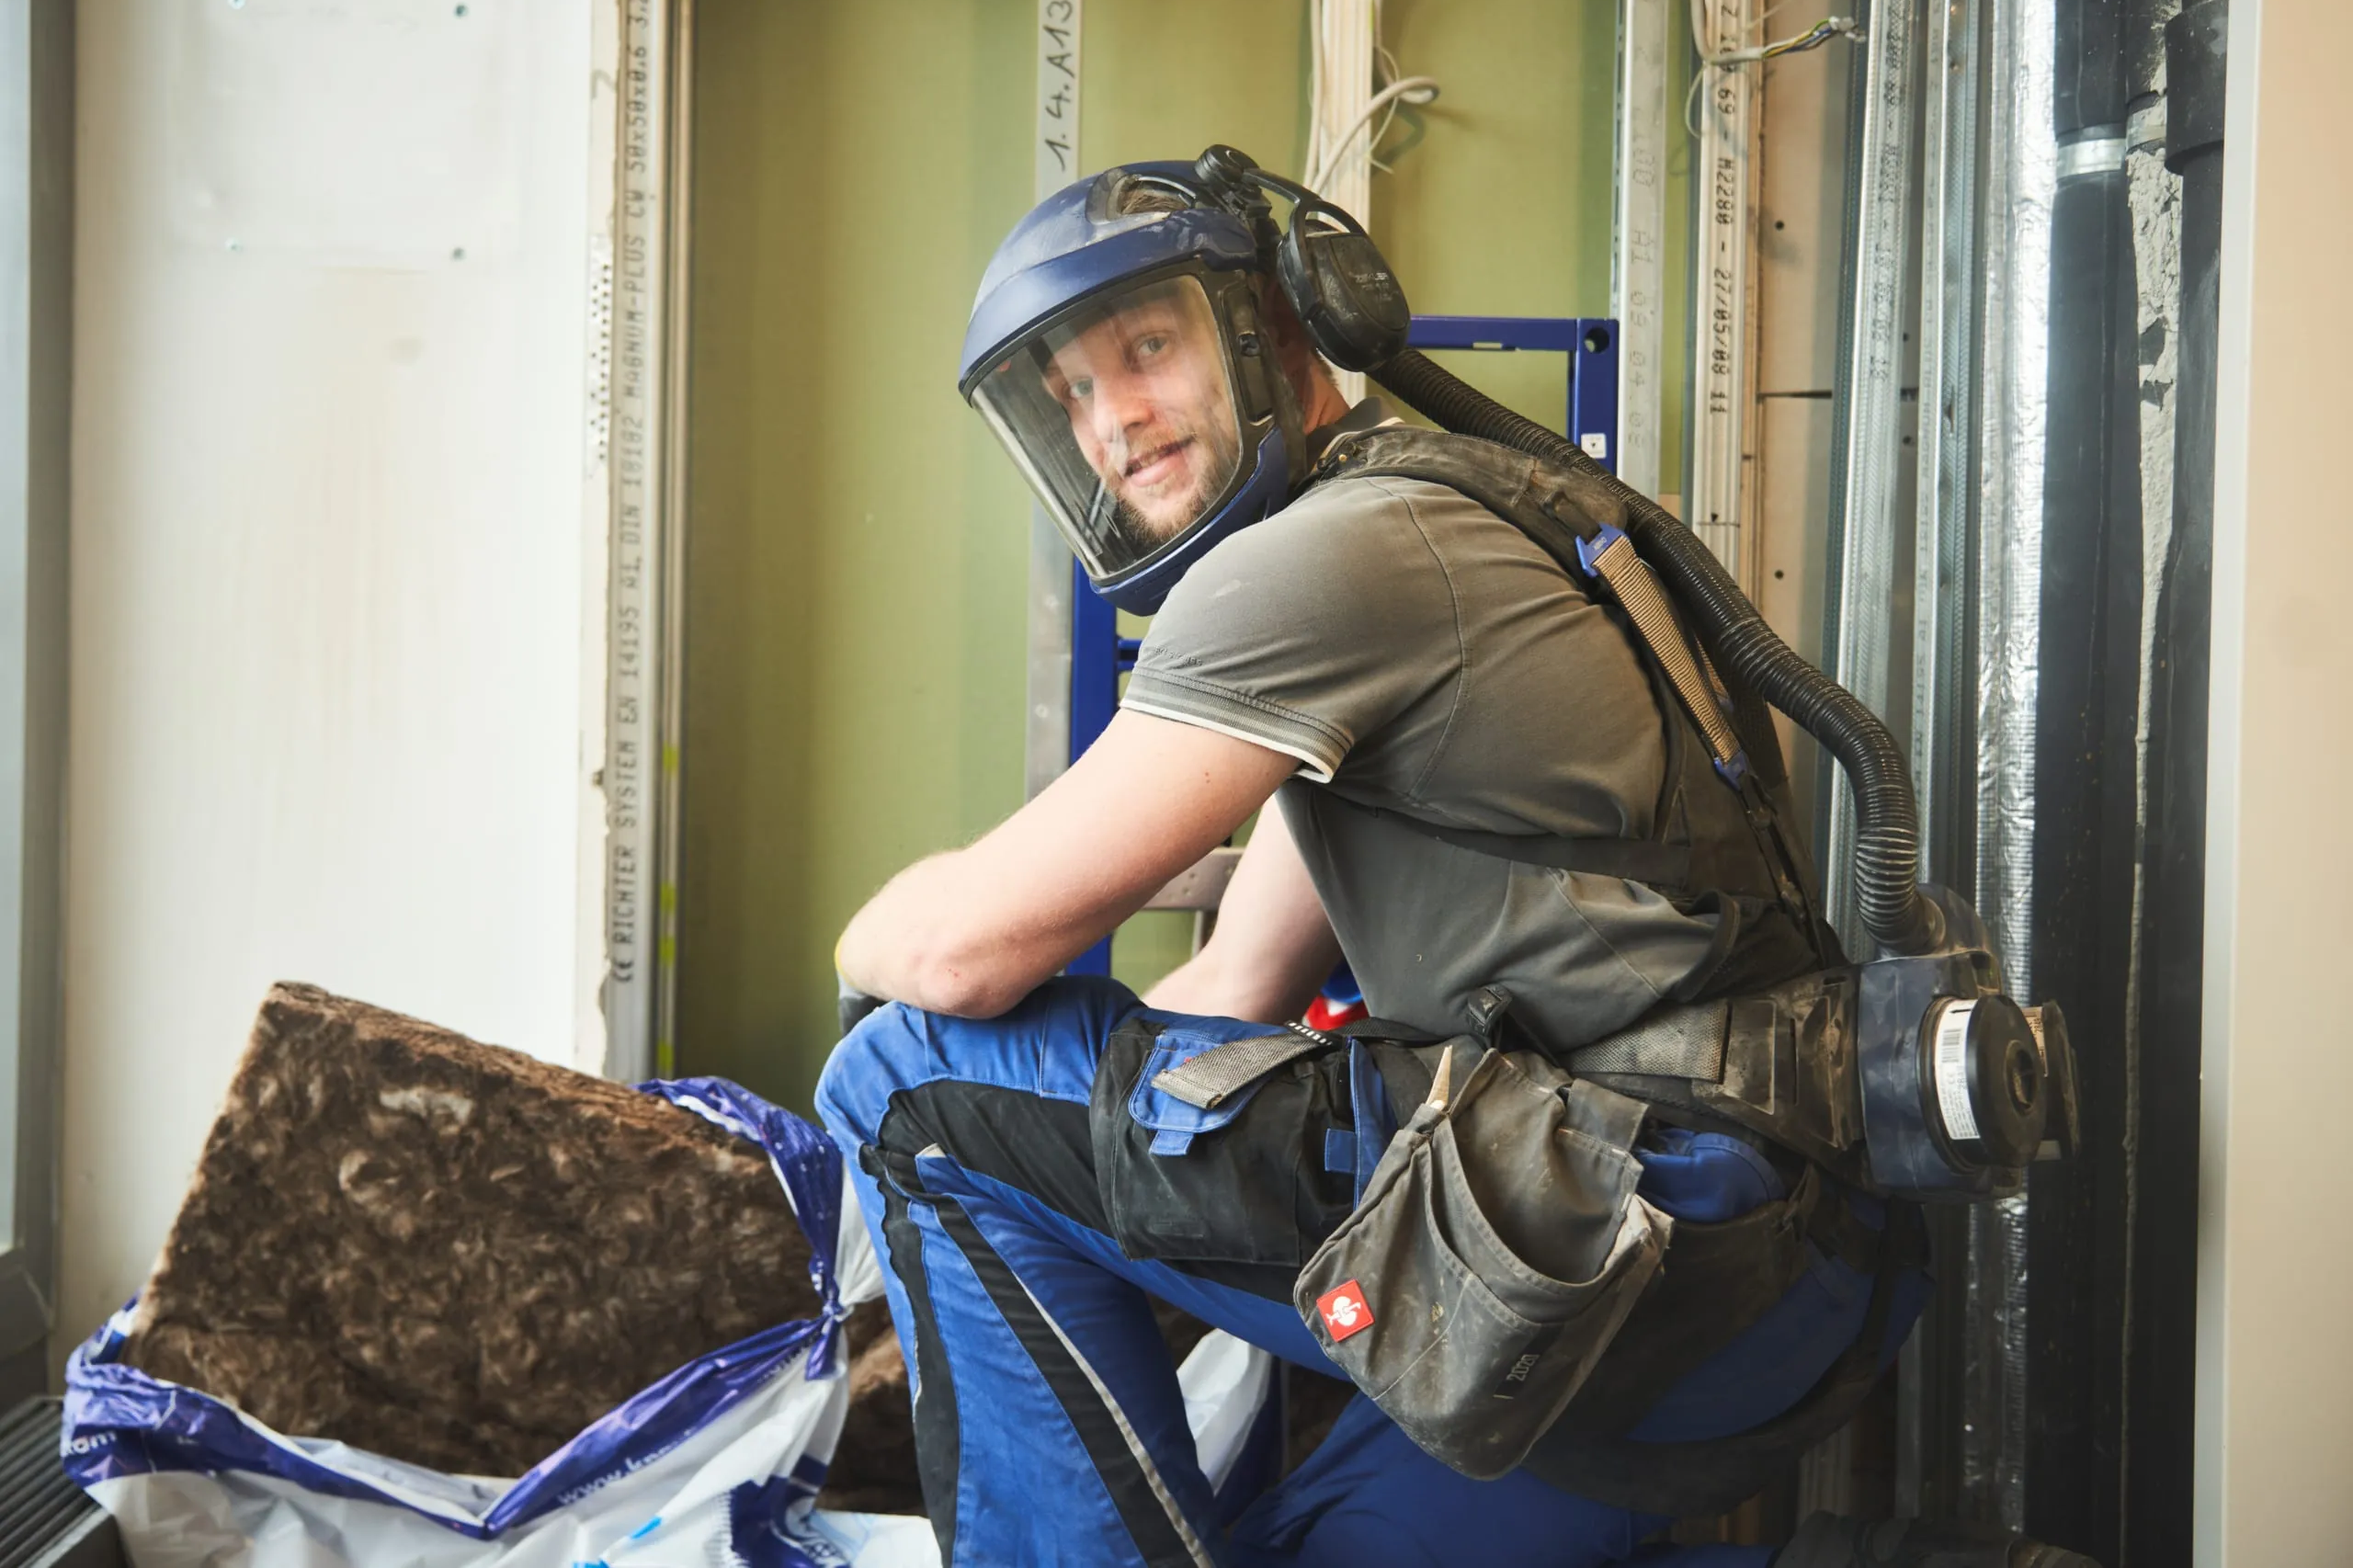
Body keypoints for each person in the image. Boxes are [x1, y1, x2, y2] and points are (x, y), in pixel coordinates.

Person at [817, 153, 2093, 1568]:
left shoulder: (1311, 567)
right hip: (1764, 1278)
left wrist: (862, 957)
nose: (1112, 420)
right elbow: (1231, 990)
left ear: (1282, 325)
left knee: (908, 1087)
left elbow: (952, 958)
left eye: (1148, 347)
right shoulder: (1449, 517)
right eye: (1070, 393)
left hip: (1633, 1249)